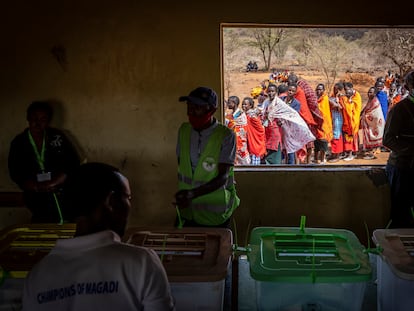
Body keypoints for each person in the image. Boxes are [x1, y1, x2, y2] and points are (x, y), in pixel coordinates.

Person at [22, 162, 175, 310]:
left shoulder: (37, 276)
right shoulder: (141, 263)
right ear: (111, 201)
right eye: (128, 198)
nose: (129, 205)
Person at [175, 86, 240, 228]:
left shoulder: (226, 136)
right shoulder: (184, 131)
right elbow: (183, 166)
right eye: (189, 106)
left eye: (197, 107)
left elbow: (222, 177)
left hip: (215, 215)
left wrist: (192, 194)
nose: (190, 111)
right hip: (188, 212)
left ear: (211, 110)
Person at [8, 101, 81, 223]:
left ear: (48, 121)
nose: (38, 123)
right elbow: (15, 172)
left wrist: (53, 183)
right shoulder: (19, 142)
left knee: (66, 221)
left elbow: (72, 163)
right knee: (42, 224)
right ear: (28, 118)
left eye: (43, 119)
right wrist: (36, 187)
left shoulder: (57, 137)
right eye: (34, 118)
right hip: (34, 195)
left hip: (60, 191)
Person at [383, 70, 414, 228]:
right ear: (409, 87)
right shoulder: (400, 109)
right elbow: (387, 139)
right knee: (401, 212)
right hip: (402, 167)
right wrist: (409, 150)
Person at [359, 87, 385, 160]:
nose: (369, 93)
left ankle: (372, 154)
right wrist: (362, 113)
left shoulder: (375, 101)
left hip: (375, 124)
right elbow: (366, 109)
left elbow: (375, 114)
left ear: (374, 93)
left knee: (373, 137)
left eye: (371, 92)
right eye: (368, 92)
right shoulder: (370, 100)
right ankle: (369, 151)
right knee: (369, 136)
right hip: (370, 123)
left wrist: (365, 115)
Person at [225, 95, 251, 165]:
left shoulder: (240, 114)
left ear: (234, 103)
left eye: (229, 103)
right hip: (235, 139)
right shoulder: (232, 114)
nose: (228, 104)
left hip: (240, 140)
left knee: (242, 157)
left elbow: (232, 123)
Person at [241, 96, 266, 165]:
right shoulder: (245, 115)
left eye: (245, 104)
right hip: (248, 143)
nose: (243, 106)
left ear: (250, 105)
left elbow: (260, 129)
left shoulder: (252, 116)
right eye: (243, 104)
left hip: (254, 143)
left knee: (254, 166)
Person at [342, 82, 362, 161]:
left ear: (352, 88)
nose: (346, 92)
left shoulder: (356, 96)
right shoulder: (349, 96)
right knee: (351, 137)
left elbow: (354, 107)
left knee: (351, 137)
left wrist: (349, 101)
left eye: (347, 90)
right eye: (345, 90)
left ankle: (351, 154)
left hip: (353, 120)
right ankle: (353, 153)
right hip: (349, 120)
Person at [314, 83, 333, 164]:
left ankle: (322, 159)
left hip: (324, 125)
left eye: (320, 89)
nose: (318, 91)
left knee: (323, 143)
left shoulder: (325, 98)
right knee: (316, 144)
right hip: (316, 124)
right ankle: (315, 159)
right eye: (317, 89)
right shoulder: (314, 99)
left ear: (323, 90)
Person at [328, 82, 345, 163]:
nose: (334, 90)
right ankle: (333, 153)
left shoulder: (341, 97)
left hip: (338, 118)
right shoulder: (332, 96)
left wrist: (335, 102)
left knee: (337, 135)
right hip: (333, 117)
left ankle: (337, 154)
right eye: (334, 89)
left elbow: (341, 108)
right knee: (333, 135)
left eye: (336, 89)